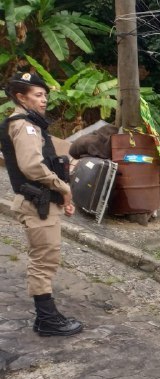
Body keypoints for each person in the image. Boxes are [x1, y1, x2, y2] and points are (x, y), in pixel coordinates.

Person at [0, 72, 83, 336]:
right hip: (36, 203)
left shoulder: (32, 124)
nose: (44, 100)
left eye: (45, 95)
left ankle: (45, 318)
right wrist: (63, 188)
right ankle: (47, 320)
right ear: (20, 97)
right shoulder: (24, 125)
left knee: (47, 257)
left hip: (43, 202)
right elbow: (32, 166)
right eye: (38, 95)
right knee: (43, 261)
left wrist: (62, 198)